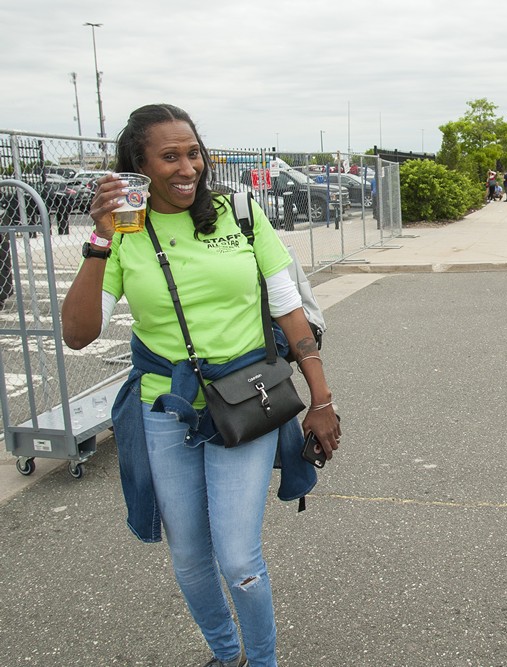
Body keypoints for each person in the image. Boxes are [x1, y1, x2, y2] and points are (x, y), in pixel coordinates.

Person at [61, 104, 342, 667]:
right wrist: (98, 239)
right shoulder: (124, 233)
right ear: (139, 168)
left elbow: (288, 308)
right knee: (189, 555)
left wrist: (322, 399)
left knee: (237, 558)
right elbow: (78, 333)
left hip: (246, 403)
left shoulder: (240, 213)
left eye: (193, 152)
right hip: (164, 410)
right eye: (169, 156)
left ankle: (262, 662)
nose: (187, 166)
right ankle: (225, 652)